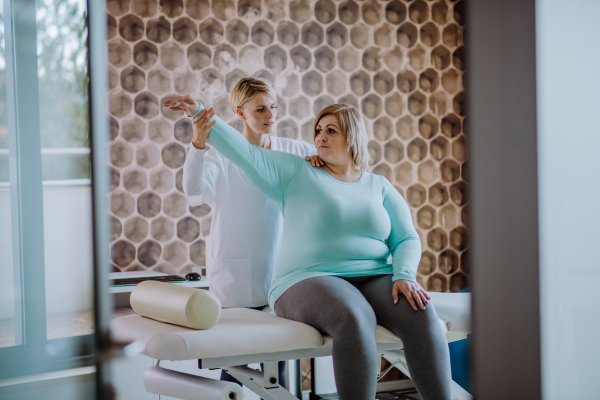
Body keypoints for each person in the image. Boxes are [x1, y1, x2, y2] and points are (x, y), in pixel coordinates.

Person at [190, 103, 453, 400]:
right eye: (318, 131)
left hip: (373, 276)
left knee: (420, 310)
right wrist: (200, 113)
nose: (320, 137)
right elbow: (246, 153)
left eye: (331, 131)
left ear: (352, 137)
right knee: (354, 316)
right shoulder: (297, 172)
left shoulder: (378, 185)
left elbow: (406, 237)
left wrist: (404, 275)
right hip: (304, 279)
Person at [162, 78, 322, 390]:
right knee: (234, 366)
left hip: (281, 278)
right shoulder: (220, 157)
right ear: (240, 112)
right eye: (260, 108)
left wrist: (318, 162)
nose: (269, 114)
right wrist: (198, 142)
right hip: (238, 280)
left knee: (278, 366)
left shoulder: (294, 150)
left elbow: (327, 171)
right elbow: (193, 192)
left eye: (273, 107)